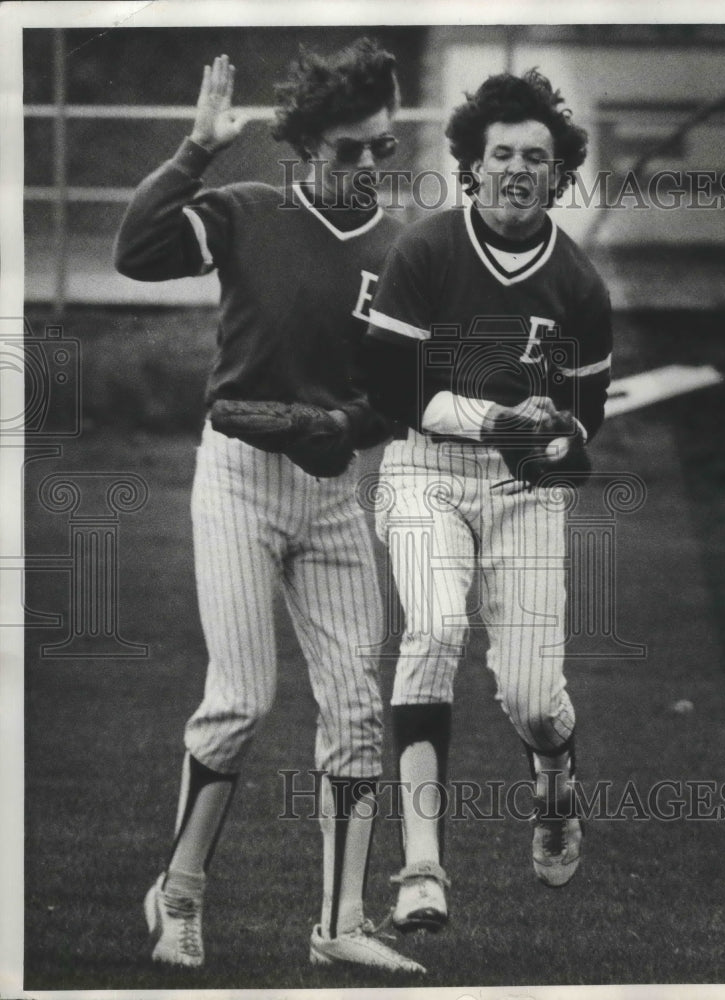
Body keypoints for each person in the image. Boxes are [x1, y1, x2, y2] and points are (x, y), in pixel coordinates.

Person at [114, 42, 425, 974]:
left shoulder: (403, 248)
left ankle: (340, 924)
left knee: (359, 714)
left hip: (330, 495)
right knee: (242, 702)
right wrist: (194, 150)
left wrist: (353, 425)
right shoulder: (250, 213)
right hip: (240, 481)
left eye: (383, 148)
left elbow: (402, 389)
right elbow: (136, 253)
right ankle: (178, 896)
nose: (368, 166)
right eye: (348, 150)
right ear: (301, 146)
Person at [360, 68, 612, 931]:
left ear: (558, 173)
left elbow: (586, 425)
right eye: (499, 152)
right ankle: (422, 869)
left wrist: (558, 436)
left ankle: (554, 791)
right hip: (425, 467)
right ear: (471, 163)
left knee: (536, 699)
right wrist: (493, 416)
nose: (515, 168)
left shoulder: (579, 285)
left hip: (522, 491)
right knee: (431, 631)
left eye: (534, 157)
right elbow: (393, 390)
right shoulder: (425, 250)